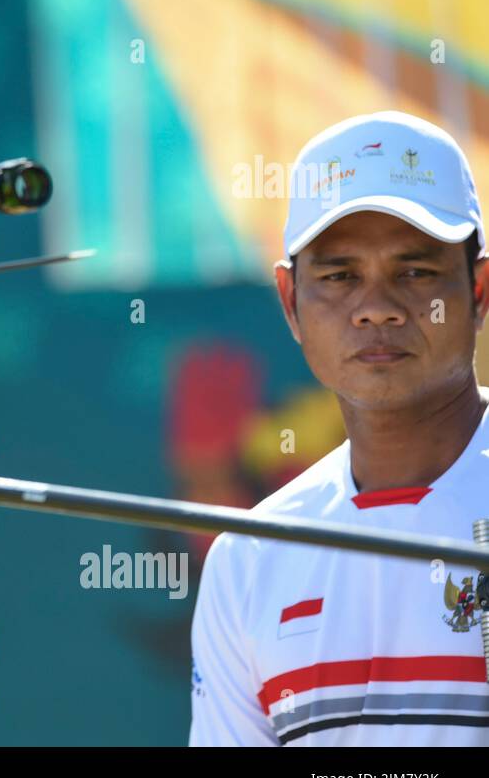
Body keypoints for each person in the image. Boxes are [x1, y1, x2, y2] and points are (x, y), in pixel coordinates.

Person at [190, 110, 489, 745]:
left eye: (415, 272)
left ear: (481, 290)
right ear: (291, 302)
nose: (376, 308)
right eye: (339, 276)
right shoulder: (247, 558)